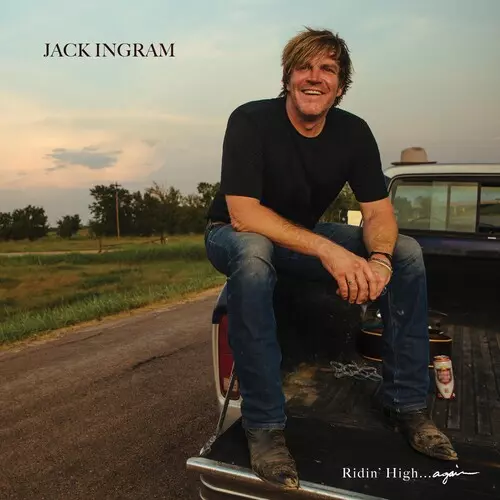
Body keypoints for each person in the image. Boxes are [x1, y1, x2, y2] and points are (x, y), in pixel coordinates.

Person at [204, 27, 458, 490]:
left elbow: (379, 213)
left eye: (327, 69)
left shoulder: (353, 132)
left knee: (406, 252)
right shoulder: (250, 120)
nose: (314, 77)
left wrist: (379, 260)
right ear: (287, 77)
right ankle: (264, 426)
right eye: (304, 67)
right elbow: (244, 214)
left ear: (340, 86)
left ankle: (407, 406)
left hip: (298, 234)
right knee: (256, 254)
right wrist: (330, 251)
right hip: (233, 234)